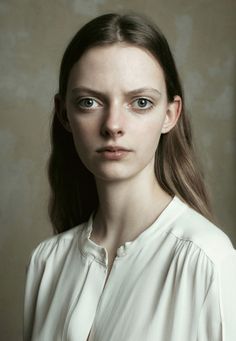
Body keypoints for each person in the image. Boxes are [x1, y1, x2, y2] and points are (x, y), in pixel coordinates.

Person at [23, 13, 236, 341]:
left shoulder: (207, 259)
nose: (113, 125)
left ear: (170, 114)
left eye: (140, 102)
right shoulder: (47, 262)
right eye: (89, 102)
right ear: (65, 113)